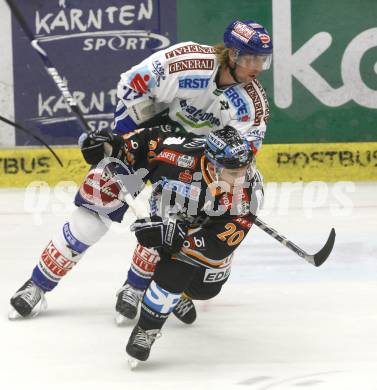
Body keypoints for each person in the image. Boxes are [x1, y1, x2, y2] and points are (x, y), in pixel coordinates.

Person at [9, 19, 272, 322]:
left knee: (168, 227)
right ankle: (38, 285)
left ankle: (137, 288)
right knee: (94, 213)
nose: (258, 67)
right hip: (147, 142)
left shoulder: (252, 106)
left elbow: (242, 157)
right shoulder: (186, 63)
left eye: (263, 59)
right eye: (252, 58)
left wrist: (221, 193)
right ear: (232, 54)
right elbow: (131, 84)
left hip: (194, 163)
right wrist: (117, 143)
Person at [117, 126, 264, 366]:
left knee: (205, 290)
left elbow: (218, 245)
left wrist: (173, 237)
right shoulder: (175, 156)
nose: (243, 178)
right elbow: (144, 143)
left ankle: (181, 293)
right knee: (176, 267)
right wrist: (117, 147)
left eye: (246, 169)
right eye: (234, 172)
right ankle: (147, 329)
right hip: (171, 211)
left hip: (208, 233)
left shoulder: (250, 192)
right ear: (213, 167)